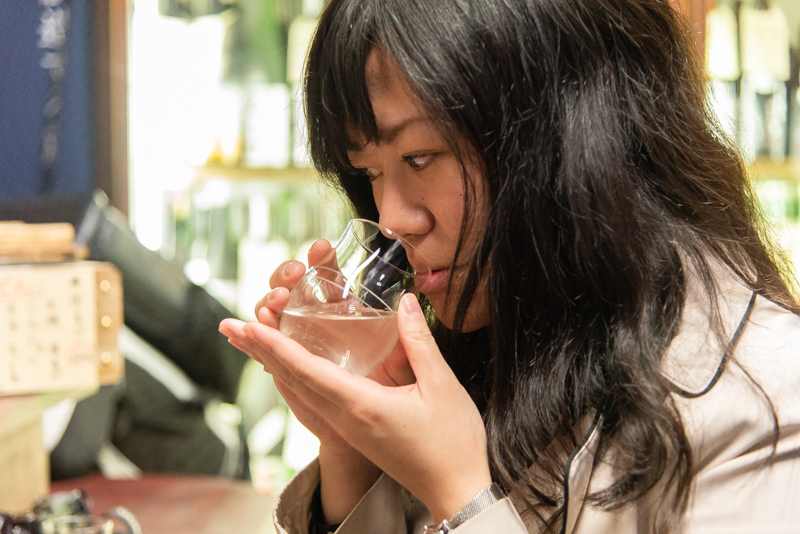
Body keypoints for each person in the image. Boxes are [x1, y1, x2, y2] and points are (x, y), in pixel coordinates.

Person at [219, 0, 800, 532]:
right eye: (369, 172)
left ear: (567, 135)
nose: (391, 219)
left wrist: (463, 498)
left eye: (419, 157)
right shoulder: (492, 342)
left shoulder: (763, 402)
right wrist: (352, 451)